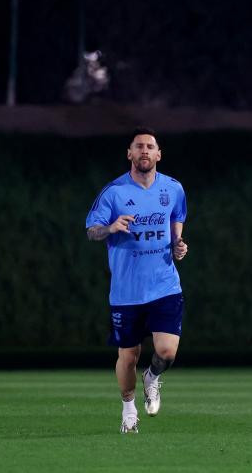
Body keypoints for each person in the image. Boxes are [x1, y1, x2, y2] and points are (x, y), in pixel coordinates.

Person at [85, 128, 189, 434]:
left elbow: (177, 216)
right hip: (126, 291)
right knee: (128, 356)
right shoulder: (114, 192)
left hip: (164, 285)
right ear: (129, 154)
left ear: (158, 155)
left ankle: (153, 377)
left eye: (150, 146)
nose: (145, 151)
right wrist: (111, 227)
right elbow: (92, 230)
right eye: (139, 146)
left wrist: (178, 243)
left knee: (167, 351)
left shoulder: (173, 188)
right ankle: (128, 410)